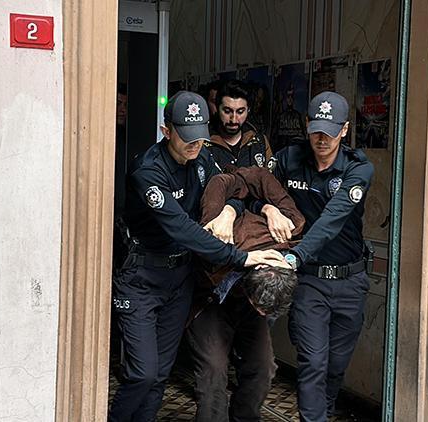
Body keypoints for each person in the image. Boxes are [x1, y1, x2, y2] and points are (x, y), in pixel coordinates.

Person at [107, 91, 286, 422]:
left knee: (160, 373)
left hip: (181, 280)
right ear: (166, 131)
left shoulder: (203, 160)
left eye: (200, 137)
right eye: (186, 138)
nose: (194, 145)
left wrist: (232, 210)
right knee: (142, 373)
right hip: (142, 279)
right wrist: (242, 258)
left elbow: (238, 186)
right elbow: (181, 228)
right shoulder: (148, 170)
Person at [260, 91, 375, 421]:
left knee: (336, 367)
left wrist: (293, 257)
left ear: (345, 129)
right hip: (310, 281)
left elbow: (331, 220)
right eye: (316, 129)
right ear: (307, 125)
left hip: (350, 281)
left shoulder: (358, 169)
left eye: (331, 130)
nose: (322, 138)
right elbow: (255, 190)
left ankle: (319, 415)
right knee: (313, 363)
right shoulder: (288, 159)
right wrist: (268, 207)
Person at [186, 166, 304, 422]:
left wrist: (269, 208)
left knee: (263, 368)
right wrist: (229, 211)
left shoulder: (290, 227)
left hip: (247, 308)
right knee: (213, 372)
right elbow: (220, 181)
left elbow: (262, 177)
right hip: (211, 302)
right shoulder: (216, 233)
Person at [204, 80, 273, 169]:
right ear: (217, 108)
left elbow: (271, 178)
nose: (233, 119)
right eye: (227, 111)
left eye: (240, 112)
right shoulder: (203, 143)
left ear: (248, 110)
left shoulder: (260, 141)